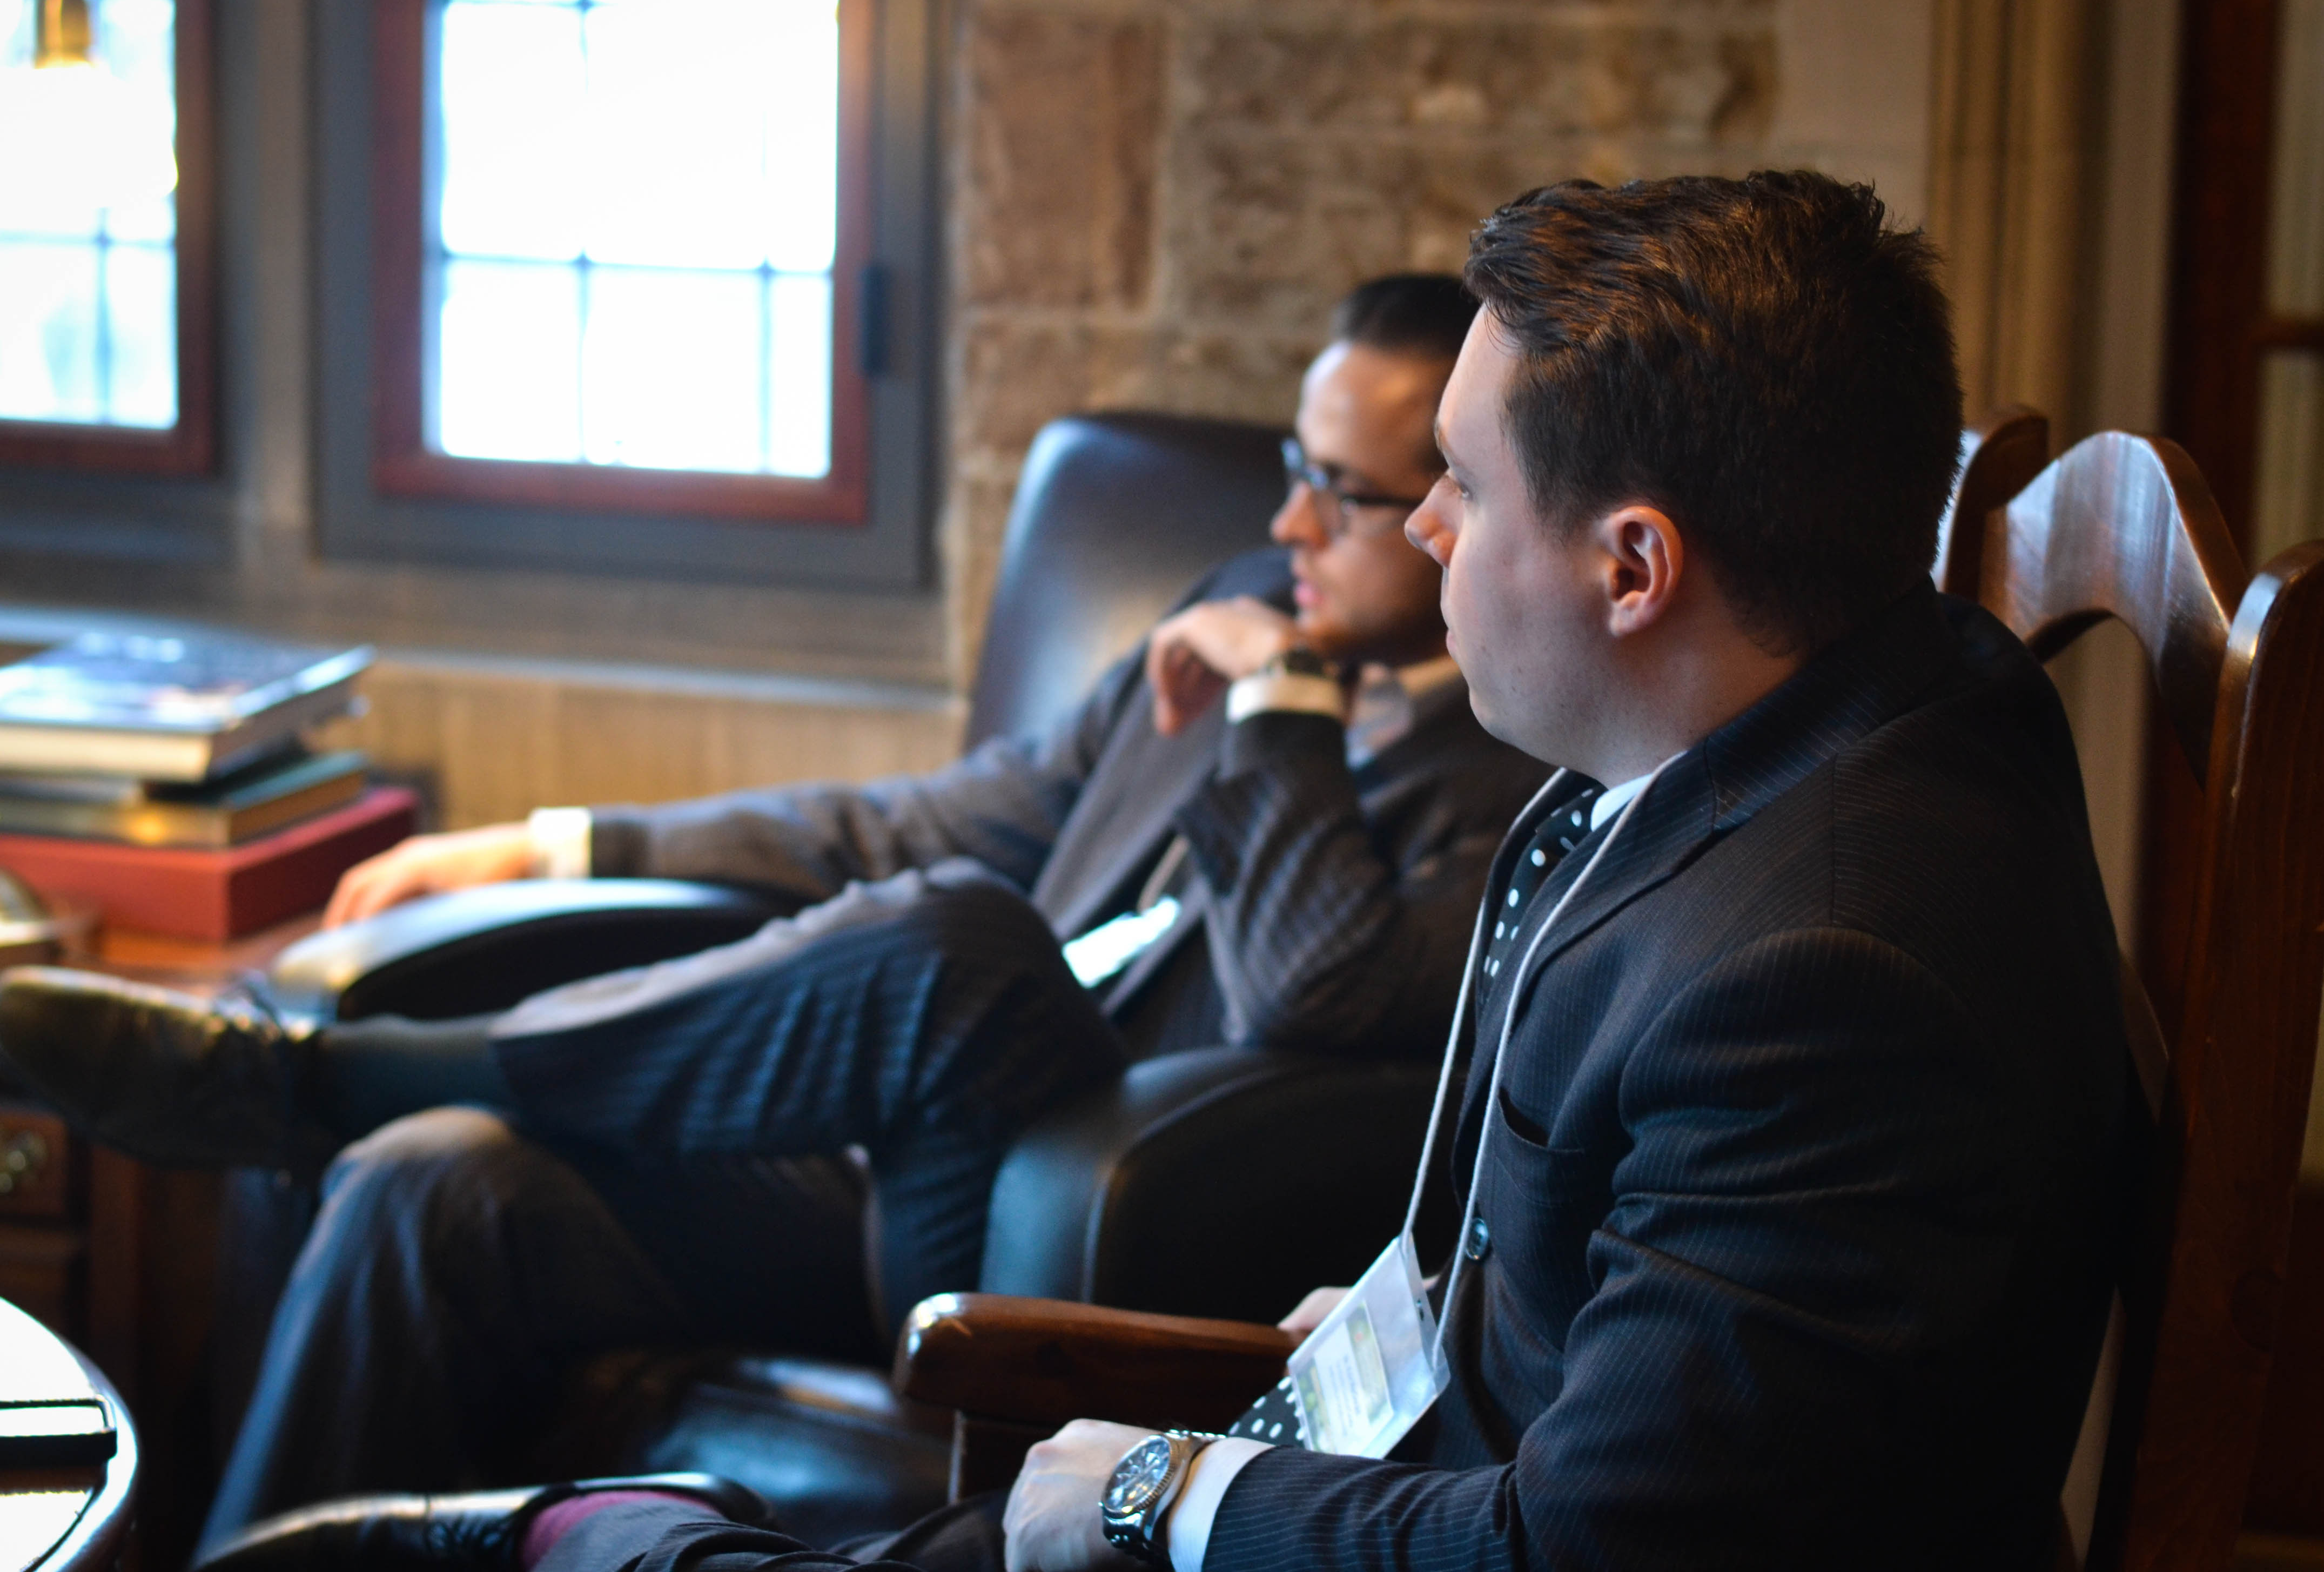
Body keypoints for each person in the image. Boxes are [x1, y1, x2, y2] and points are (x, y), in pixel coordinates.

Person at [178, 170, 2140, 1572]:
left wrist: (1161, 1493)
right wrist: (1359, 1350)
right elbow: (949, 821)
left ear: (1636, 567)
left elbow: (1592, 1542)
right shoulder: (1795, 741)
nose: (1421, 531)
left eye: (1458, 487)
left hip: (1225, 1349)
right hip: (1340, 1414)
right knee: (446, 1195)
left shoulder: (1824, 967)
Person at [0, 276, 1550, 1543]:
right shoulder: (1233, 613)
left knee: (959, 942)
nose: (1287, 529)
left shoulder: (1514, 779)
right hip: (889, 1172)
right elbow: (926, 819)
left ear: (1452, 508)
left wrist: (1281, 717)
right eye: (1291, 468)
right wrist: (557, 842)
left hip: (1075, 1240)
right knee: (434, 1182)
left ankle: (299, 1085)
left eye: (1343, 495)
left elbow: (1313, 986)